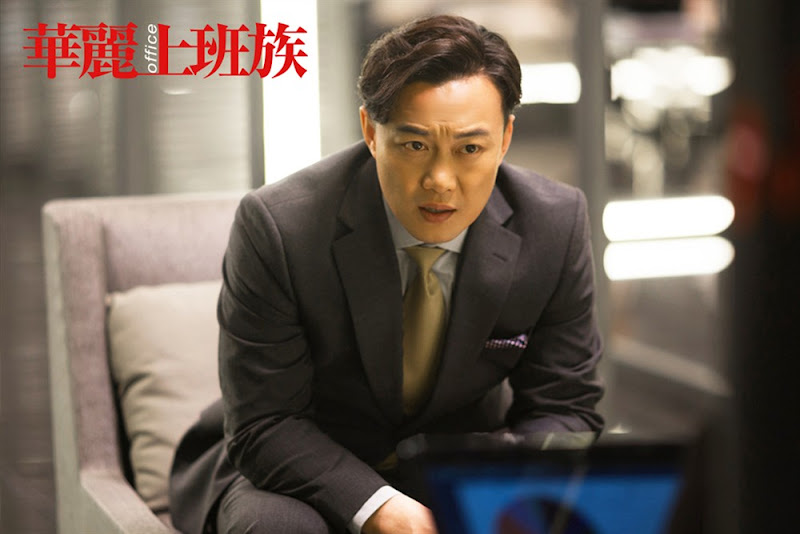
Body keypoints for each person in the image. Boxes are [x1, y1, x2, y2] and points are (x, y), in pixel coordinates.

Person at [169, 14, 604, 534]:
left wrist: (503, 489)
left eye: (469, 148)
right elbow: (266, 422)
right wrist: (378, 507)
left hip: (457, 461)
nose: (440, 180)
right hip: (297, 466)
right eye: (414, 145)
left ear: (505, 138)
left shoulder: (553, 224)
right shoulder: (280, 227)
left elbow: (565, 407)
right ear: (371, 132)